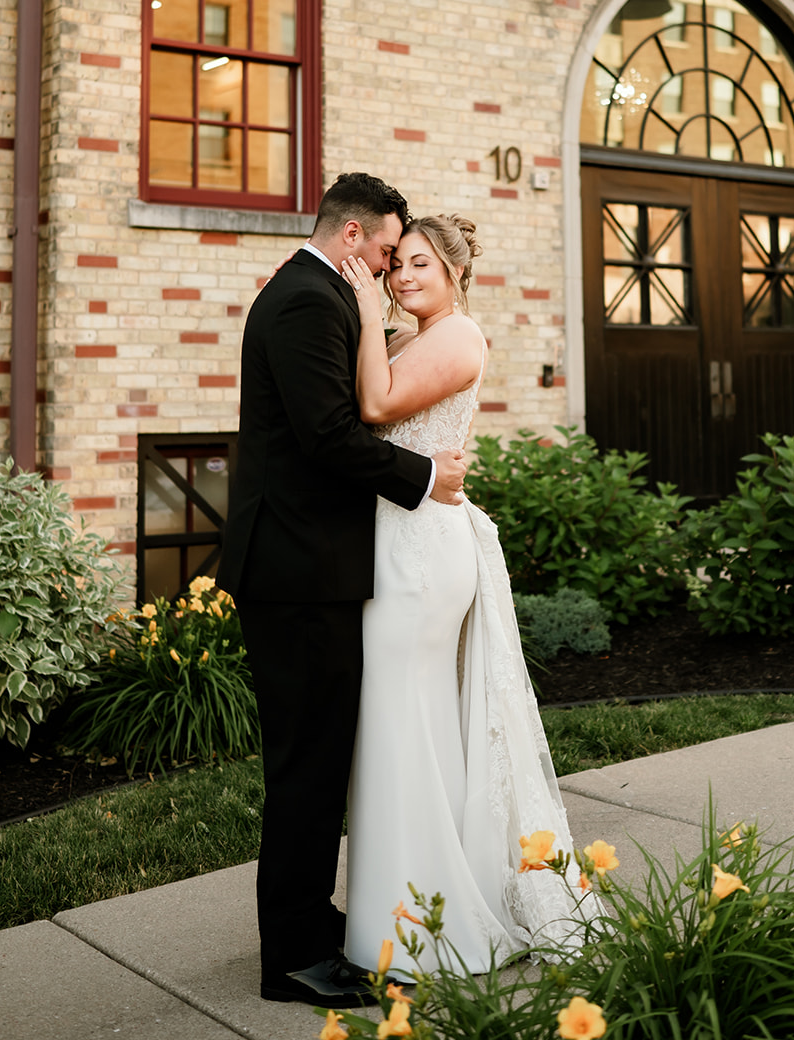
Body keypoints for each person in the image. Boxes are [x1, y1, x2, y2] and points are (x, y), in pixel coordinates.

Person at [221, 172, 468, 1008]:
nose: (397, 268)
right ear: (355, 238)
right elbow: (327, 433)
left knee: (320, 761)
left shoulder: (317, 296)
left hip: (308, 565)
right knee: (306, 768)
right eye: (392, 250)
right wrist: (426, 474)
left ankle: (310, 921)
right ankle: (292, 957)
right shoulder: (305, 301)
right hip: (294, 572)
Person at [341, 214, 596, 976]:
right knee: (402, 720)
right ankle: (416, 902)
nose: (403, 276)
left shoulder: (457, 336)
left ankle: (433, 922)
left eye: (420, 264)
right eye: (397, 267)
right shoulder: (409, 337)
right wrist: (373, 325)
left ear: (453, 273)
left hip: (422, 552)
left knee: (403, 715)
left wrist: (363, 314)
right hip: (399, 539)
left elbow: (378, 408)